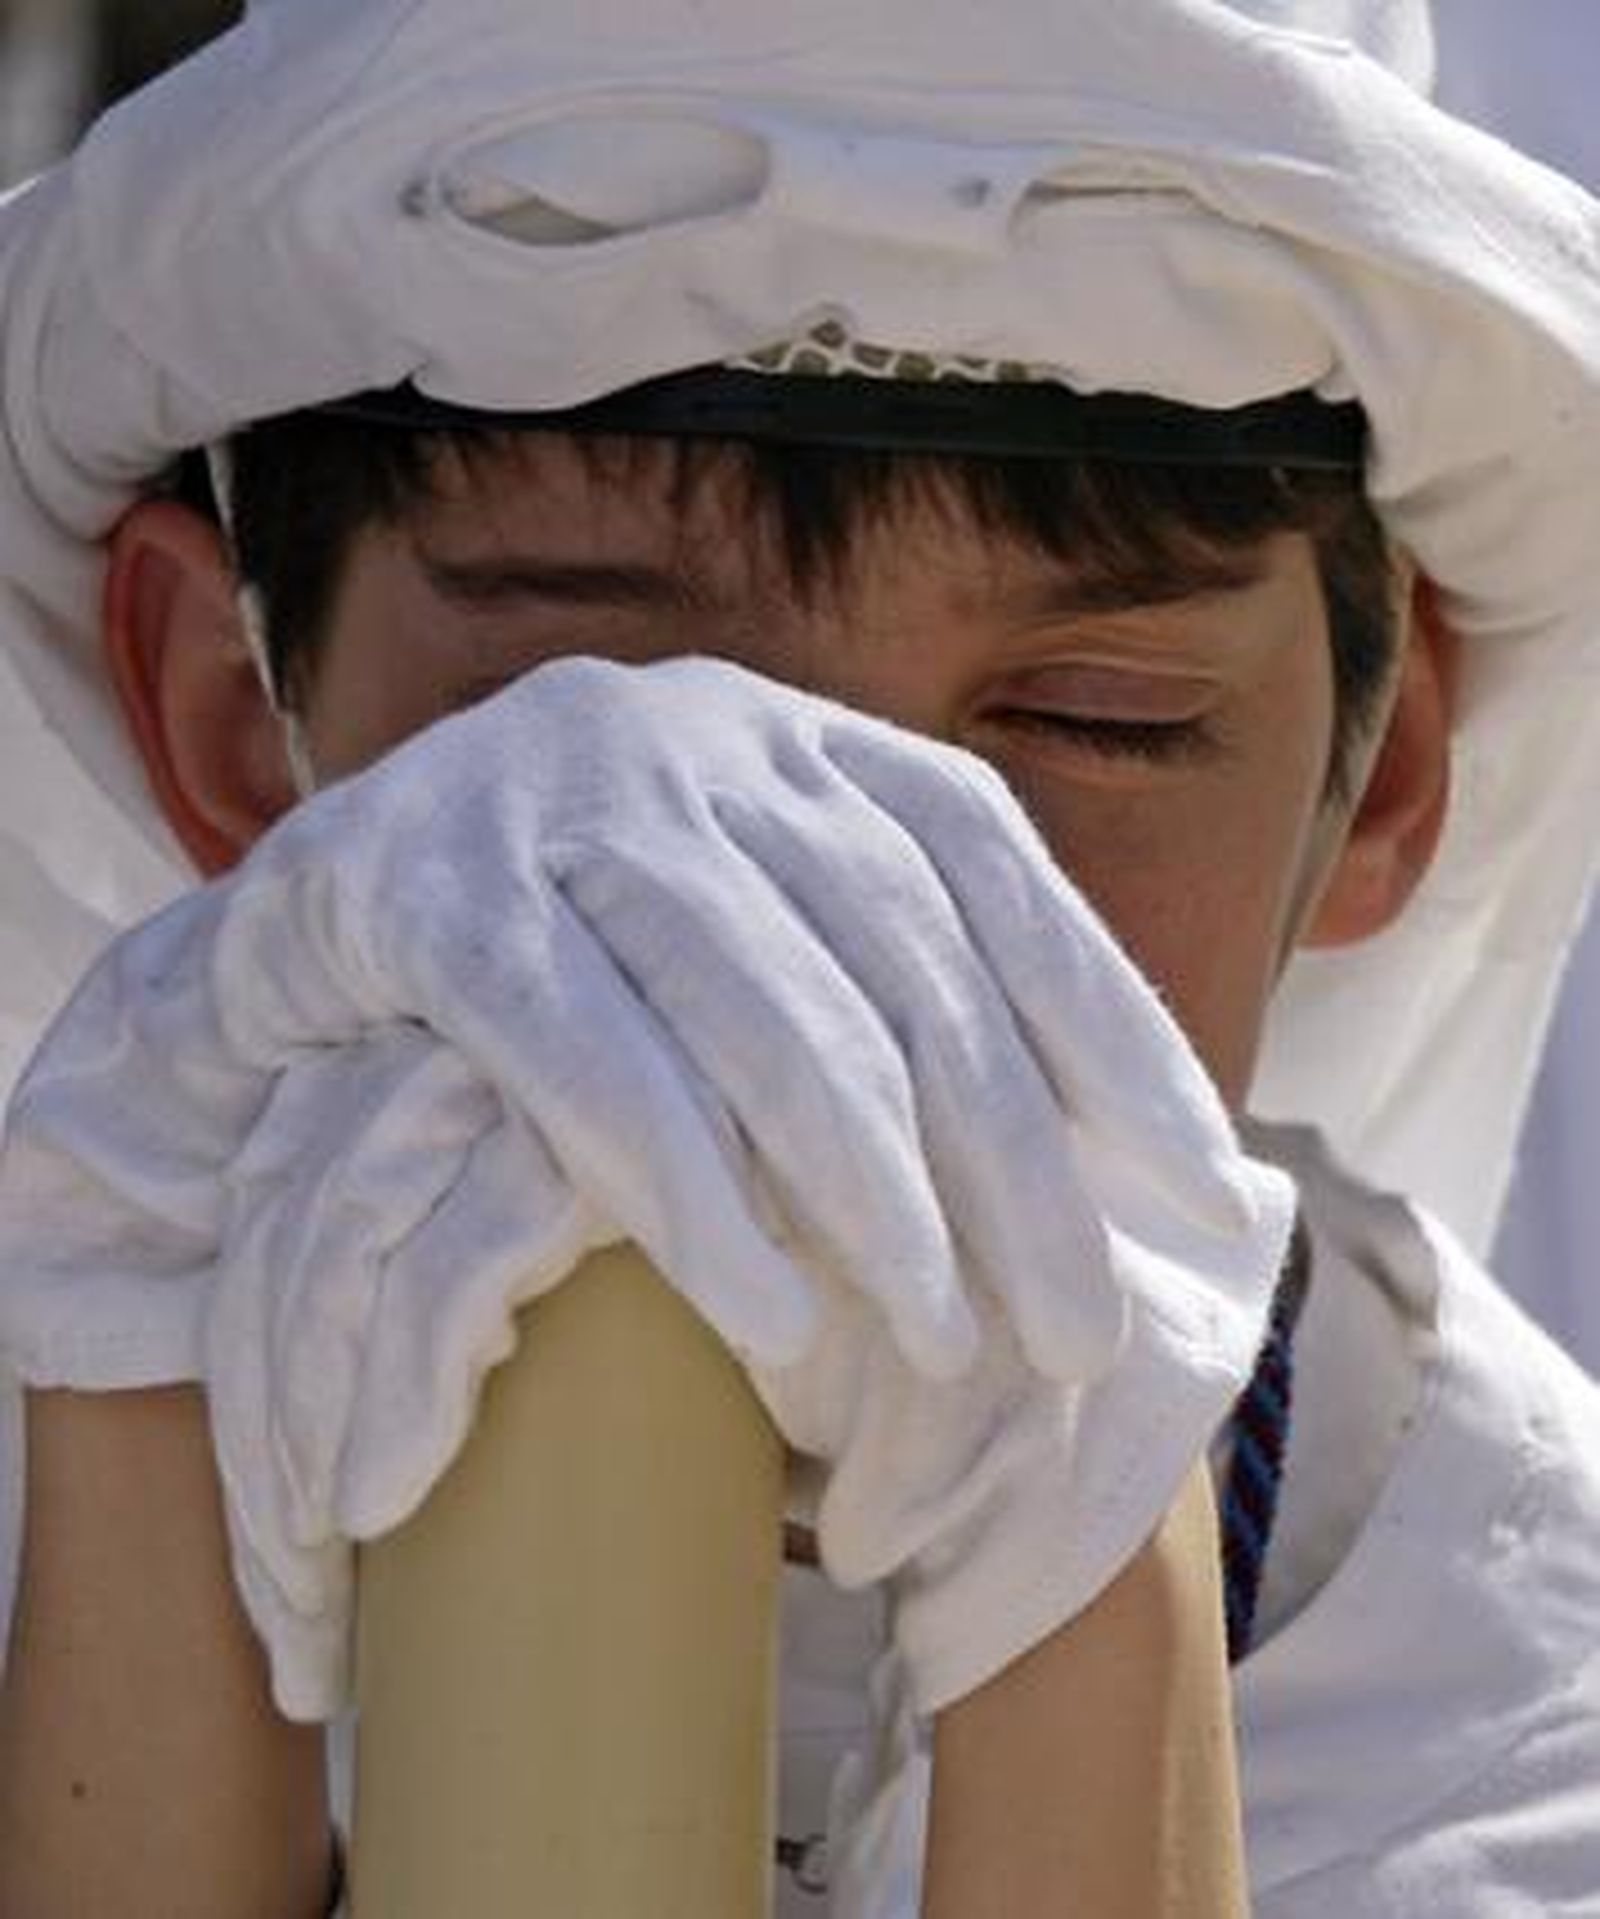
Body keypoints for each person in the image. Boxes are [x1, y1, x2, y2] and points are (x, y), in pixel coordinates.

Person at [0, 0, 1597, 1913]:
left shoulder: (1519, 1741)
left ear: (1385, 766)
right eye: (599, 721)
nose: (813, 954)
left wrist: (1096, 1537)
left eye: (1094, 720)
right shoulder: (72, 1485)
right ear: (234, 724)